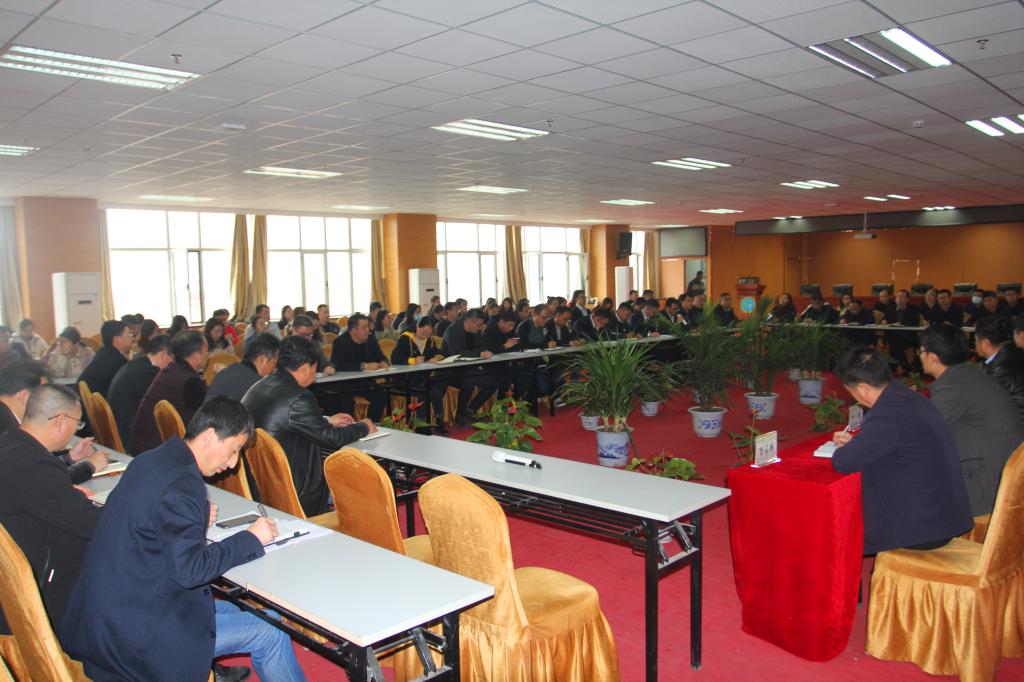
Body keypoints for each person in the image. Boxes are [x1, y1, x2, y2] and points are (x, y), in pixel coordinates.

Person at [60, 398, 306, 682]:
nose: (233, 463)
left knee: (249, 612)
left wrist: (195, 518)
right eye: (233, 450)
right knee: (271, 631)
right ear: (209, 435)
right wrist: (251, 538)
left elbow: (150, 523)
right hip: (137, 639)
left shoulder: (151, 460)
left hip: (107, 616)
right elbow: (190, 571)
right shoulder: (183, 486)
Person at [830, 347, 973, 554]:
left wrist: (850, 448)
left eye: (851, 392)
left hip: (924, 529)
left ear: (863, 388)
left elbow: (843, 462)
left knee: (838, 530)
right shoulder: (906, 396)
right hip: (944, 515)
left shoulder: (887, 413)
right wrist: (858, 444)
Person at [0, 384, 101, 633]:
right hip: (37, 596)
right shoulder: (34, 466)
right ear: (60, 421)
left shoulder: (10, 443)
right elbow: (91, 524)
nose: (75, 430)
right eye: (77, 423)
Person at [243, 336, 374, 515]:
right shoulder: (299, 397)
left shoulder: (259, 386)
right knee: (357, 480)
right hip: (295, 490)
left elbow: (284, 423)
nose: (315, 375)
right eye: (315, 368)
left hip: (261, 485)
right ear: (305, 368)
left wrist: (326, 421)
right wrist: (364, 426)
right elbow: (332, 439)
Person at [919, 325, 1023, 516]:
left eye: (921, 351)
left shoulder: (953, 387)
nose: (920, 356)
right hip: (1002, 469)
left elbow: (919, 429)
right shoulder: (967, 374)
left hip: (987, 484)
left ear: (933, 358)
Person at [0, 359, 106, 484]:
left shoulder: (8, 418)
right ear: (25, 396)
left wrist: (67, 458)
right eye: (44, 394)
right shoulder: (7, 429)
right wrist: (88, 467)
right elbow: (40, 482)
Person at [129, 331, 208, 455]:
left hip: (143, 445)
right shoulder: (189, 381)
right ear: (196, 355)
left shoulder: (172, 369)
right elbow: (202, 419)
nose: (207, 355)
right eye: (206, 351)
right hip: (156, 450)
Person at [107, 334, 173, 446]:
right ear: (163, 354)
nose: (172, 364)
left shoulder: (137, 363)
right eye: (173, 359)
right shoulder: (150, 373)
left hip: (118, 427)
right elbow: (163, 406)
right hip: (129, 436)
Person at [440, 309, 499, 426]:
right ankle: (459, 414)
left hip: (469, 369)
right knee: (468, 383)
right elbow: (456, 353)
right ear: (469, 321)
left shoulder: (476, 330)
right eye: (479, 325)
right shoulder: (453, 330)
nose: (481, 327)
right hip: (451, 370)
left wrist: (484, 352)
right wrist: (479, 353)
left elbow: (482, 346)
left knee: (492, 383)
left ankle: (471, 410)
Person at [391, 316, 448, 433]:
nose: (425, 335)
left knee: (437, 388)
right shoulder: (405, 338)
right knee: (424, 392)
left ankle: (439, 420)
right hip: (406, 379)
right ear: (417, 326)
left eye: (429, 333)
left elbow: (439, 353)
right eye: (423, 331)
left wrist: (437, 358)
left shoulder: (429, 340)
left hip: (422, 378)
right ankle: (422, 427)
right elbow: (395, 358)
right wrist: (412, 360)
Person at [329, 313, 390, 421]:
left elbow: (381, 357)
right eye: (364, 327)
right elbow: (338, 365)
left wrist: (383, 362)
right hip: (346, 384)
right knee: (345, 401)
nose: (368, 330)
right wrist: (363, 366)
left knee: (381, 395)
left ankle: (371, 423)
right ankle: (349, 427)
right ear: (353, 330)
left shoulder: (371, 339)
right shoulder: (340, 342)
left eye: (368, 326)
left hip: (366, 382)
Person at [974, 315, 1024, 421]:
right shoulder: (1016, 352)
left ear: (985, 343)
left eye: (976, 340)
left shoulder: (998, 369)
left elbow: (984, 406)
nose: (975, 344)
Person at [207, 333, 280, 403]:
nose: (275, 367)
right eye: (275, 360)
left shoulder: (229, 369)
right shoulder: (257, 387)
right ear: (262, 360)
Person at [78, 319, 132, 396]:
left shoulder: (104, 353)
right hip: (101, 401)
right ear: (117, 340)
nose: (132, 338)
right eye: (129, 335)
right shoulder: (116, 360)